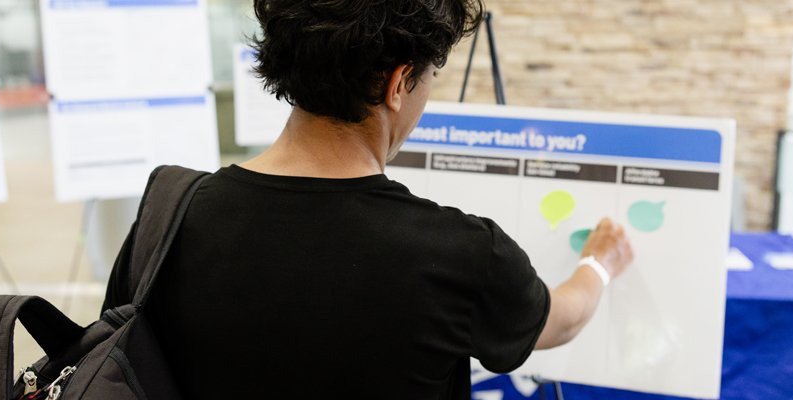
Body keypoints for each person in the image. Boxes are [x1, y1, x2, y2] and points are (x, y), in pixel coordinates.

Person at [104, 0, 633, 398]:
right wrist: (599, 263)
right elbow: (560, 319)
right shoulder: (461, 253)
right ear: (398, 83)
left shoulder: (170, 211)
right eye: (430, 77)